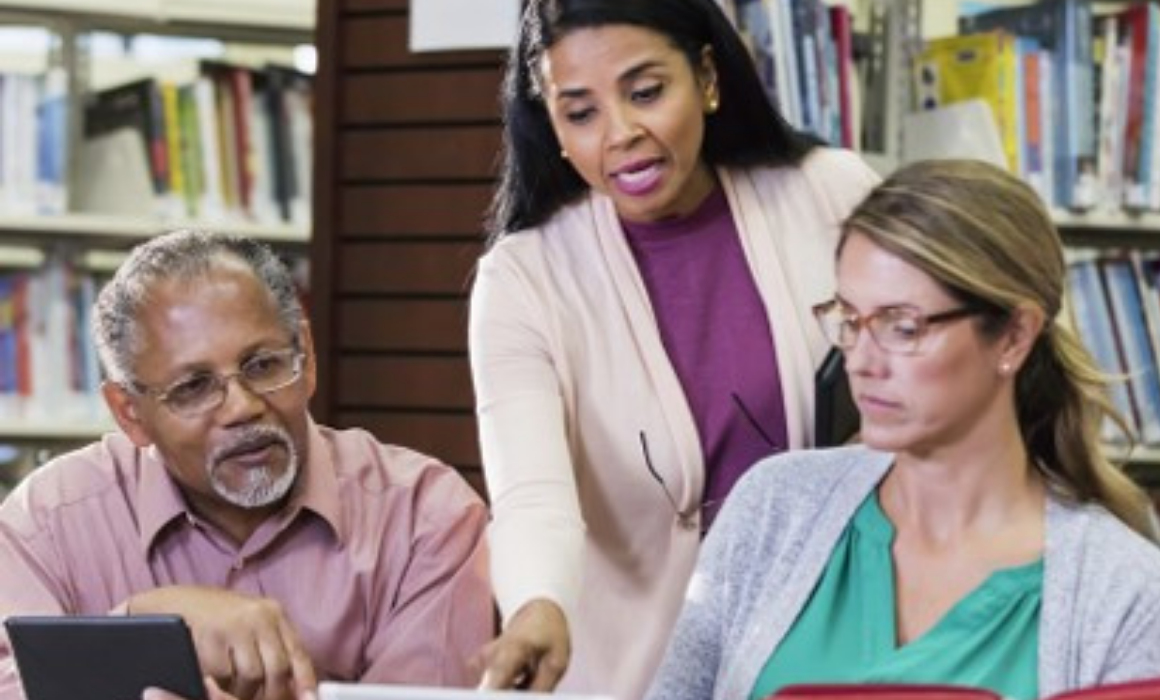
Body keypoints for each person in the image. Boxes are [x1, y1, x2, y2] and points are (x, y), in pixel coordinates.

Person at [467, 0, 880, 697]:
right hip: (641, 674)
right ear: (553, 127)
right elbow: (532, 495)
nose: (621, 134)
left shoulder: (832, 194)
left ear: (709, 78)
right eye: (581, 111)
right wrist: (537, 605)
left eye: (646, 92)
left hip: (836, 648)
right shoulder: (523, 280)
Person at [644, 159, 1160, 700]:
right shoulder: (775, 505)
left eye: (902, 327)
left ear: (1013, 336)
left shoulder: (1124, 594)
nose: (861, 361)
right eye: (849, 319)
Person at [0, 230, 493, 700]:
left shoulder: (425, 520)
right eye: (193, 387)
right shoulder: (47, 524)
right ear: (130, 414)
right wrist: (139, 626)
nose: (241, 408)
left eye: (263, 366)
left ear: (308, 359)